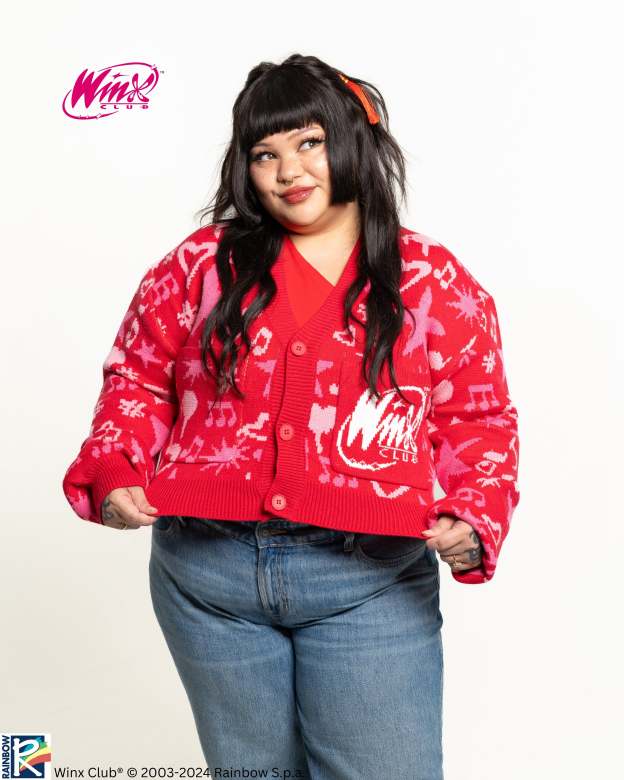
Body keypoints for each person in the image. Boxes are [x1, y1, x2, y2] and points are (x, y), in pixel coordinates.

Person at [62, 53, 521, 778]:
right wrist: (115, 468)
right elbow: (139, 379)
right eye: (264, 154)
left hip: (367, 576)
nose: (288, 171)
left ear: (356, 140)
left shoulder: (430, 277)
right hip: (207, 574)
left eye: (309, 142)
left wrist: (475, 511)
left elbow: (478, 415)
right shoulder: (199, 265)